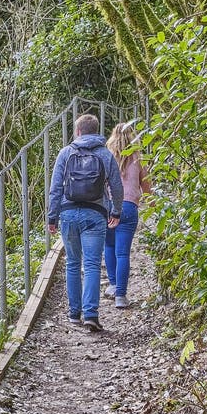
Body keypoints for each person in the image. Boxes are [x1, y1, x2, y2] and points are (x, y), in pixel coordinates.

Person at [48, 113, 123, 332]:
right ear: (96, 130)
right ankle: (91, 314)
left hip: (68, 213)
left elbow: (55, 188)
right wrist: (116, 211)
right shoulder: (105, 154)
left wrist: (52, 217)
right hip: (95, 214)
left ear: (78, 131)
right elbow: (117, 187)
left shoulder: (65, 153)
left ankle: (74, 314)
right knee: (91, 265)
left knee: (73, 263)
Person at [104, 122, 152, 309]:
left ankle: (113, 284)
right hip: (129, 207)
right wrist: (152, 205)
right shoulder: (138, 157)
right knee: (123, 252)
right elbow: (146, 186)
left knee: (109, 245)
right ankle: (121, 297)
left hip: (108, 205)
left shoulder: (106, 156)